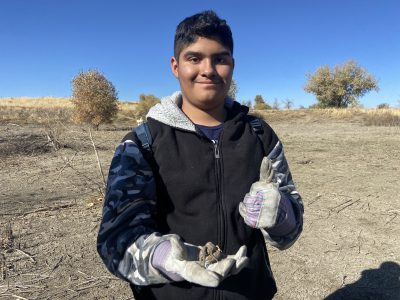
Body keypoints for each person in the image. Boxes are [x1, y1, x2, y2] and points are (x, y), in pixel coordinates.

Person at [97, 10, 304, 300]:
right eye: (194, 58)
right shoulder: (142, 144)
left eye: (220, 58)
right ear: (175, 66)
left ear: (232, 65)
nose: (208, 69)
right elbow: (115, 241)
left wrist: (280, 213)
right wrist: (166, 258)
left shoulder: (260, 135)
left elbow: (291, 229)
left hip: (250, 292)